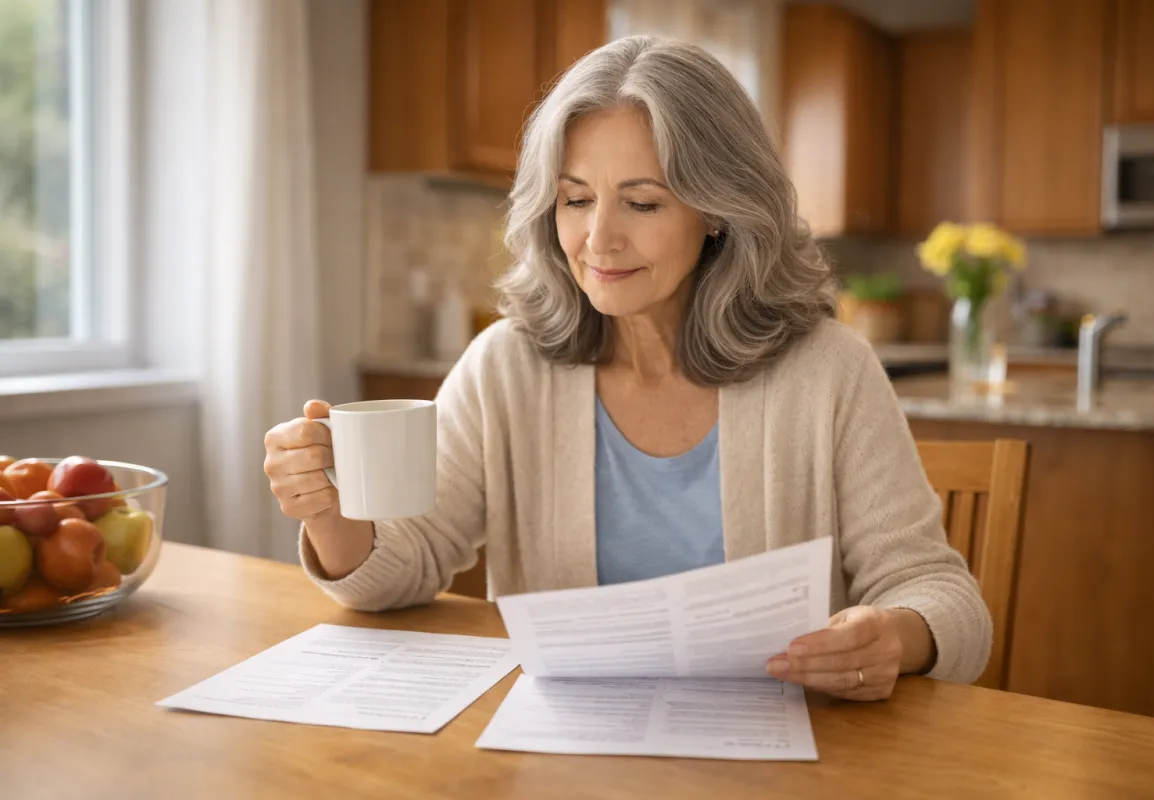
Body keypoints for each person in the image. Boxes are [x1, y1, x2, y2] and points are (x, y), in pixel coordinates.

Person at [264, 36, 992, 701]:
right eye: (575, 199)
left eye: (642, 202)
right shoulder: (507, 367)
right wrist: (329, 513)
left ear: (718, 211)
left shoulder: (828, 371)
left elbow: (943, 598)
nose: (598, 238)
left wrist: (890, 638)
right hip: (563, 759)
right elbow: (404, 568)